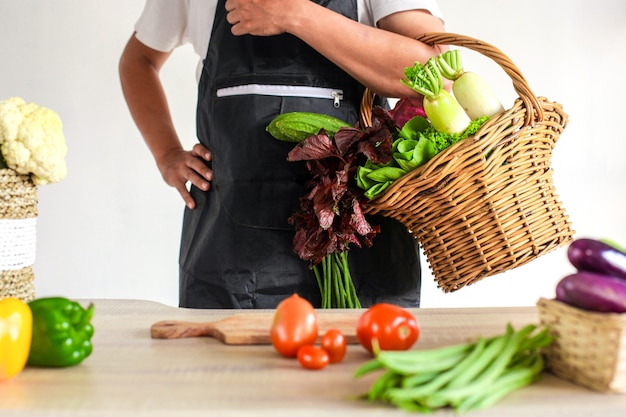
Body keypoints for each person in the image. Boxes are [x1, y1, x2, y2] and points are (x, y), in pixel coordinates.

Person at [119, 0, 447, 309]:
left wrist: (294, 14)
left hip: (356, 247)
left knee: (360, 367)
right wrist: (167, 154)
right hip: (231, 254)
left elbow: (437, 73)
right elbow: (138, 60)